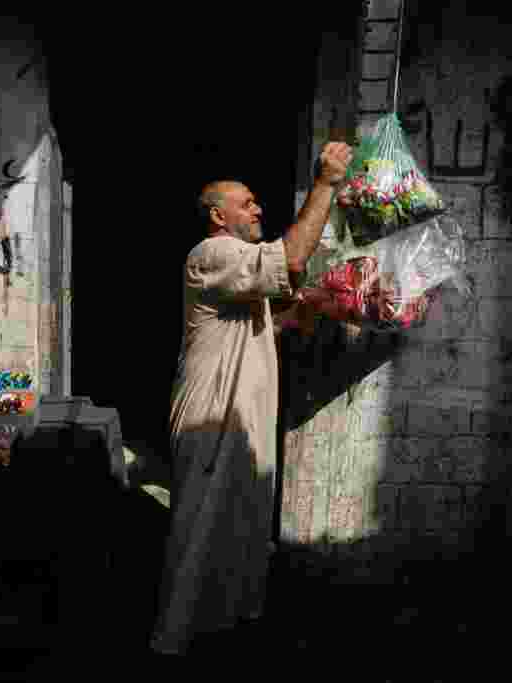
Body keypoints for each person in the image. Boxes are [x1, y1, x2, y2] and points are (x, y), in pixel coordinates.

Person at [149, 141, 354, 656]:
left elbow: (274, 311)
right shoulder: (212, 253)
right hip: (212, 415)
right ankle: (171, 641)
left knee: (238, 524)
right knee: (199, 526)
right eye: (247, 203)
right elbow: (290, 259)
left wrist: (318, 307)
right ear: (219, 216)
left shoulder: (237, 269)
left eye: (257, 201)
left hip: (240, 416)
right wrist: (327, 183)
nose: (258, 208)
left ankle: (222, 630)